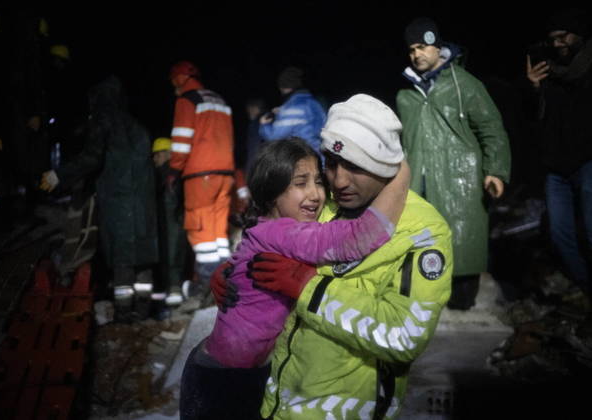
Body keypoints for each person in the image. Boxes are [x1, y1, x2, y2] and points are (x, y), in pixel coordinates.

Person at [213, 94, 453, 419]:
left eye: (356, 166)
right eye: (332, 163)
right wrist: (237, 271)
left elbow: (404, 336)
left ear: (384, 162)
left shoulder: (423, 230)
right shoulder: (326, 203)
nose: (339, 180)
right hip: (275, 404)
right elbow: (275, 236)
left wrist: (309, 289)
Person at [180, 136, 410, 420]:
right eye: (300, 184)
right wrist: (400, 173)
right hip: (225, 382)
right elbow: (360, 237)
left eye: (318, 181)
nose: (315, 194)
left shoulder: (266, 226)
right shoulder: (285, 233)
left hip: (218, 367)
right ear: (272, 193)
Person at [395, 17, 511, 311]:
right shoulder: (405, 95)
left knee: (461, 239)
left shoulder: (465, 86)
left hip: (461, 177)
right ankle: (421, 301)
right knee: (418, 239)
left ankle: (462, 302)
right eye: (411, 49)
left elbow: (491, 128)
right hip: (417, 179)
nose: (416, 54)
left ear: (437, 47)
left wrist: (495, 171)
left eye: (422, 46)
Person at [40, 75, 159, 323]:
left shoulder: (103, 122)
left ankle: (125, 317)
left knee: (123, 260)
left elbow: (92, 158)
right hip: (144, 206)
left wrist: (58, 175)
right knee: (143, 259)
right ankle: (144, 312)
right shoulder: (139, 128)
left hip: (119, 204)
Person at [526, 8, 592, 317]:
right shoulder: (547, 71)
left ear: (579, 34)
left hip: (591, 161)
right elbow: (534, 119)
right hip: (557, 167)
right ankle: (587, 290)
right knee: (559, 235)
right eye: (553, 39)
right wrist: (533, 89)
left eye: (563, 37)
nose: (558, 44)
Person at [167, 60, 235, 303]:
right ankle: (226, 279)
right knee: (218, 233)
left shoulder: (187, 99)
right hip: (225, 174)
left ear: (179, 79)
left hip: (200, 175)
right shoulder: (219, 100)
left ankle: (208, 285)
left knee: (201, 230)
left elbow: (182, 141)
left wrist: (174, 170)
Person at [150, 137, 189, 319]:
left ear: (166, 154)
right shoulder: (177, 174)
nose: (154, 160)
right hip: (176, 226)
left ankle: (169, 311)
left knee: (171, 262)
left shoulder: (164, 176)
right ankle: (171, 307)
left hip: (170, 228)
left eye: (157, 155)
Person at [259, 66, 326, 153]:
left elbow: (274, 137)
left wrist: (264, 125)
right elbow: (323, 130)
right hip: (319, 156)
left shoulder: (290, 108)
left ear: (282, 87)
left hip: (301, 158)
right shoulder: (315, 103)